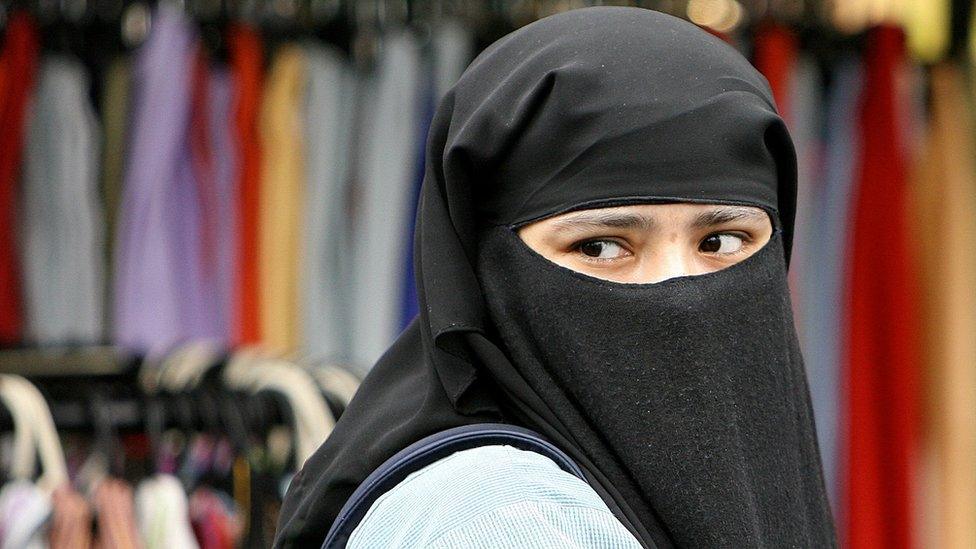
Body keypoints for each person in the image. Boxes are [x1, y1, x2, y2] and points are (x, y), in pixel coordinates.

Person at [275, 6, 836, 548]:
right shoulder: (498, 519)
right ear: (484, 267)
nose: (680, 296)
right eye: (601, 245)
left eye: (721, 241)